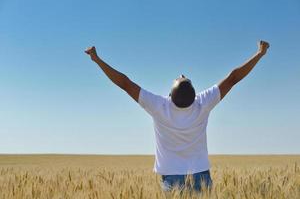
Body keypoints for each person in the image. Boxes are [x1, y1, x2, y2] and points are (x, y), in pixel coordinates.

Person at [85, 41, 270, 192]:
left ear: (170, 94)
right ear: (194, 94)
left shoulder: (159, 106)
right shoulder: (202, 103)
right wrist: (259, 54)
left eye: (181, 78)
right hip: (201, 176)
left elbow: (125, 83)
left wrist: (97, 59)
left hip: (171, 178)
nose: (181, 75)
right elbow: (233, 78)